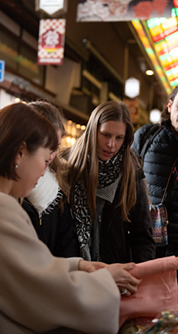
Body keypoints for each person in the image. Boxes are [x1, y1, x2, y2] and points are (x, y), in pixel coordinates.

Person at [0, 102, 141, 334]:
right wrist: (105, 280)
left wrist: (78, 264)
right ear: (21, 152)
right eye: (45, 159)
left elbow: (35, 267)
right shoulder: (7, 209)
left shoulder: (17, 199)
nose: (44, 170)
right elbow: (38, 286)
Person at [131, 75, 178, 307]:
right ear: (170, 105)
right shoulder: (146, 136)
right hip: (146, 242)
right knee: (142, 309)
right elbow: (127, 184)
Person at [65, 101, 155, 264]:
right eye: (105, 134)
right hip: (72, 270)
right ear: (93, 131)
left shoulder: (131, 173)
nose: (111, 145)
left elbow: (142, 237)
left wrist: (140, 277)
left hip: (116, 271)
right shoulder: (68, 166)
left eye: (119, 138)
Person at [21, 101, 79, 257]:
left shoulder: (61, 180)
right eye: (48, 146)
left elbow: (68, 241)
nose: (52, 154)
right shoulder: (12, 187)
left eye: (57, 146)